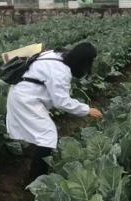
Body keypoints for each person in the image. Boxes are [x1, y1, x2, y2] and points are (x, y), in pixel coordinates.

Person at [6, 42, 103, 182]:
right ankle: (36, 179)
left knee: (43, 134)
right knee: (47, 135)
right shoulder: (60, 71)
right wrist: (87, 110)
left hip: (25, 94)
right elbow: (61, 102)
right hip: (26, 99)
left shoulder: (57, 54)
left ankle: (38, 173)